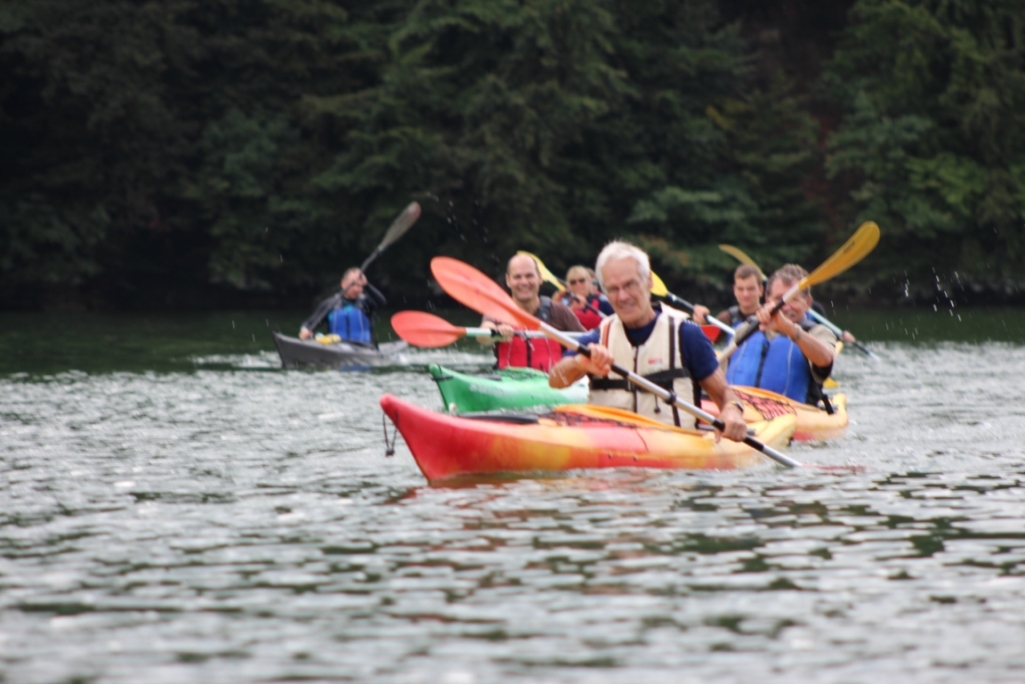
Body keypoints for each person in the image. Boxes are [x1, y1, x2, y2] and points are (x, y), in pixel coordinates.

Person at [547, 241, 747, 442]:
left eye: (630, 284)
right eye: (613, 289)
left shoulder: (687, 334)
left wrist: (732, 410)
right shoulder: (598, 337)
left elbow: (724, 394)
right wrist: (578, 364)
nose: (622, 296)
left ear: (649, 281)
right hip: (609, 453)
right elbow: (556, 381)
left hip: (673, 454)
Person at [725, 264, 836, 406]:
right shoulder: (746, 329)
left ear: (807, 302)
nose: (786, 306)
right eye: (779, 299)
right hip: (738, 406)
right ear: (767, 300)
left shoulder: (819, 333)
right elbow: (718, 373)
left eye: (793, 299)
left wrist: (788, 328)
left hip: (792, 412)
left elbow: (825, 361)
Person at [480, 254, 586, 371]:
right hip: (508, 380)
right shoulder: (498, 311)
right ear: (508, 280)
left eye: (529, 276)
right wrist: (496, 332)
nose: (524, 282)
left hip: (552, 379)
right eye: (517, 277)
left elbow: (587, 341)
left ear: (539, 278)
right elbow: (482, 335)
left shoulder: (559, 311)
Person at [299, 267, 385, 345]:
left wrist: (367, 285)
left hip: (364, 348)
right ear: (343, 284)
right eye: (353, 284)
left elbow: (382, 302)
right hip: (336, 348)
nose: (356, 289)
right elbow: (309, 323)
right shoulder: (330, 304)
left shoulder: (367, 303)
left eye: (359, 285)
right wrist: (305, 330)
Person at [693, 264, 764, 329]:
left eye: (751, 289)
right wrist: (701, 323)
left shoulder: (769, 318)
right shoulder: (725, 318)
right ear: (734, 290)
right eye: (740, 289)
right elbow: (705, 337)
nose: (745, 294)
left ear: (761, 290)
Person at [560, 264, 614, 330]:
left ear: (588, 281)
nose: (578, 284)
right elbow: (559, 325)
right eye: (573, 282)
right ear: (569, 285)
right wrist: (572, 308)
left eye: (581, 280)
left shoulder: (602, 300)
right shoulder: (565, 303)